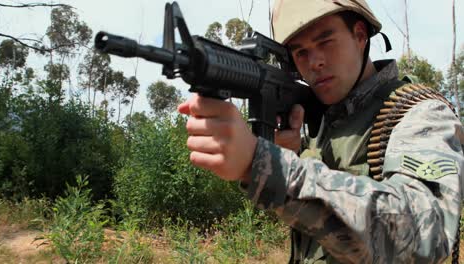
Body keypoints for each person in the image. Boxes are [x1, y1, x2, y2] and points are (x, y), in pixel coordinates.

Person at [177, 0, 464, 263]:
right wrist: (294, 155)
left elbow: (426, 237)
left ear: (360, 35)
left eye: (325, 41)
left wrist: (265, 164)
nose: (314, 63)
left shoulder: (417, 113)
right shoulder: (325, 122)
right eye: (300, 52)